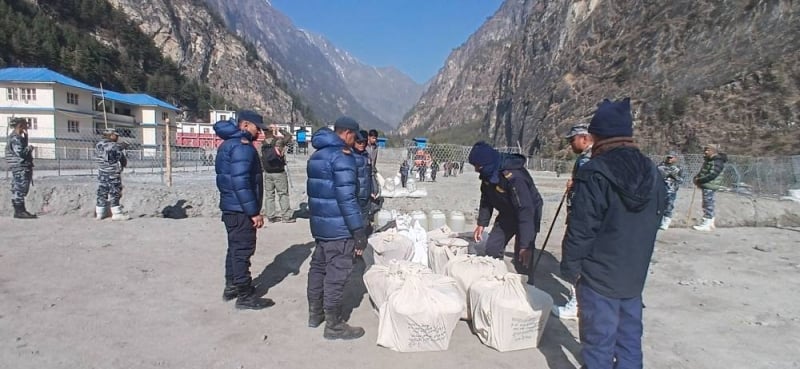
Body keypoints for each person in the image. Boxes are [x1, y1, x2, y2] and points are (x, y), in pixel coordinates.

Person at [561, 97, 665, 369]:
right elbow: (658, 216)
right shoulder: (653, 172)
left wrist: (571, 268)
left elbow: (582, 228)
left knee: (598, 342)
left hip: (599, 274)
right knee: (630, 339)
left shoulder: (595, 173)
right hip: (634, 273)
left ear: (598, 136)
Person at [306, 117, 367, 340]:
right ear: (348, 133)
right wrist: (358, 231)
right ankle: (333, 325)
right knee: (336, 275)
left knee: (318, 269)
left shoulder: (317, 155)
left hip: (321, 225)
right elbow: (347, 198)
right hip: (340, 228)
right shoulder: (342, 157)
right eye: (354, 137)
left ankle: (315, 314)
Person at [215, 110, 274, 310]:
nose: (260, 133)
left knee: (234, 248)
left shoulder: (228, 145)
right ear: (246, 125)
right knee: (242, 250)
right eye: (258, 128)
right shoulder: (243, 148)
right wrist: (253, 212)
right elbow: (242, 184)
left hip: (230, 206)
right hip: (241, 210)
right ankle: (245, 294)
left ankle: (231, 285)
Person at [468, 141, 543, 278]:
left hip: (528, 213)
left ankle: (526, 287)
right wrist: (482, 223)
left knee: (523, 255)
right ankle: (496, 278)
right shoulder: (488, 174)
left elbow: (525, 210)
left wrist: (526, 245)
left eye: (478, 166)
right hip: (507, 212)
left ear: (487, 163)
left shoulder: (514, 177)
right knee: (492, 249)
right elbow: (486, 198)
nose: (476, 170)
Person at [553, 123, 594, 320]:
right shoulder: (591, 158)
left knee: (575, 258)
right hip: (586, 217)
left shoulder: (589, 160)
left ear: (584, 138)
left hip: (584, 219)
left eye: (573, 140)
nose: (570, 144)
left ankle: (577, 304)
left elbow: (590, 193)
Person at [95, 128, 130, 221]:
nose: (117, 137)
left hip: (102, 173)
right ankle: (116, 213)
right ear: (111, 135)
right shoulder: (114, 146)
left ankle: (100, 213)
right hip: (112, 174)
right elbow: (120, 156)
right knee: (115, 193)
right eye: (115, 135)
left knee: (102, 192)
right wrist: (124, 146)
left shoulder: (98, 145)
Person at [5, 118, 36, 219]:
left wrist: (26, 137)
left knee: (18, 188)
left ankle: (20, 210)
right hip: (20, 166)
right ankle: (19, 211)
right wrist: (29, 148)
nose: (27, 127)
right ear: (20, 126)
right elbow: (21, 153)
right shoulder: (15, 138)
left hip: (19, 166)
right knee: (20, 188)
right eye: (25, 125)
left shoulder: (17, 137)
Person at [692, 144, 728, 231]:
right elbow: (703, 171)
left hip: (710, 184)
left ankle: (707, 223)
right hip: (707, 184)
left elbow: (712, 174)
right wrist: (696, 177)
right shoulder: (709, 160)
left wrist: (700, 180)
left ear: (713, 151)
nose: (705, 152)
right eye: (705, 150)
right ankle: (710, 222)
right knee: (708, 203)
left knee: (707, 203)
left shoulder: (717, 161)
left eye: (707, 150)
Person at [261, 139, 294, 223]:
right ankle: (286, 216)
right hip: (279, 173)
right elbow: (288, 137)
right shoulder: (277, 151)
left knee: (269, 195)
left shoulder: (264, 148)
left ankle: (270, 216)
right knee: (283, 194)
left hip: (267, 173)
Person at [657, 152, 684, 230]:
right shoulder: (660, 166)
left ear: (675, 158)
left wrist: (674, 176)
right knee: (659, 206)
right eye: (668, 157)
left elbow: (681, 180)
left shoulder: (678, 168)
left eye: (671, 157)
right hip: (660, 189)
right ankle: (659, 221)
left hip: (671, 190)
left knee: (669, 206)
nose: (669, 159)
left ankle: (666, 222)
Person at [353, 130, 373, 233]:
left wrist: (373, 189)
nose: (361, 145)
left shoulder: (367, 156)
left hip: (366, 194)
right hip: (355, 195)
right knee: (355, 221)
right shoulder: (350, 157)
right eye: (359, 142)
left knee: (364, 221)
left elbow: (370, 174)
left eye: (363, 142)